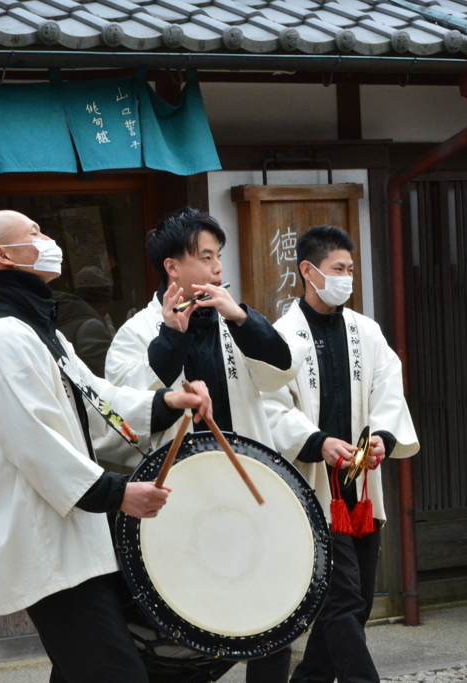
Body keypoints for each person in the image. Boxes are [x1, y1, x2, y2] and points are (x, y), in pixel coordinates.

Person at [0, 210, 213, 683]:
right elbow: (36, 444)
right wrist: (118, 493)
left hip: (75, 536)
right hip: (43, 538)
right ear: (4, 255)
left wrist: (169, 400)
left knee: (84, 668)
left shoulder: (43, 334)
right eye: (35, 234)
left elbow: (99, 400)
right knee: (115, 671)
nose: (48, 239)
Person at [104, 207, 308, 683]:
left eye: (220, 257)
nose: (219, 269)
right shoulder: (136, 333)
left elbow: (283, 368)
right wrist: (170, 342)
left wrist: (242, 317)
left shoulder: (232, 321)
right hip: (180, 505)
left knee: (273, 612)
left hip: (249, 489)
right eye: (207, 257)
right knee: (188, 624)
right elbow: (122, 415)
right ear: (172, 267)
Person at [265, 226, 419, 683]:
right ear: (308, 272)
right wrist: (318, 442)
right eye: (339, 269)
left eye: (351, 269)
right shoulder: (281, 337)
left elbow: (388, 389)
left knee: (358, 602)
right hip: (313, 487)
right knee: (343, 599)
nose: (347, 277)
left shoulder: (365, 332)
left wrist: (382, 440)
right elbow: (272, 406)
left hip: (359, 485)